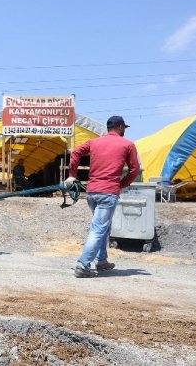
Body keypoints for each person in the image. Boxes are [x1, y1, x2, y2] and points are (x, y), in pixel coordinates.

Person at [65, 115, 140, 278]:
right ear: (120, 127)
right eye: (124, 129)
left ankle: (102, 260)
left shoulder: (94, 142)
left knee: (102, 227)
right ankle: (83, 265)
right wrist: (121, 184)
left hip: (92, 192)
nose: (124, 132)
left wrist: (72, 175)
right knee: (98, 229)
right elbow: (134, 170)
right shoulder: (127, 144)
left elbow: (75, 153)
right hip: (108, 193)